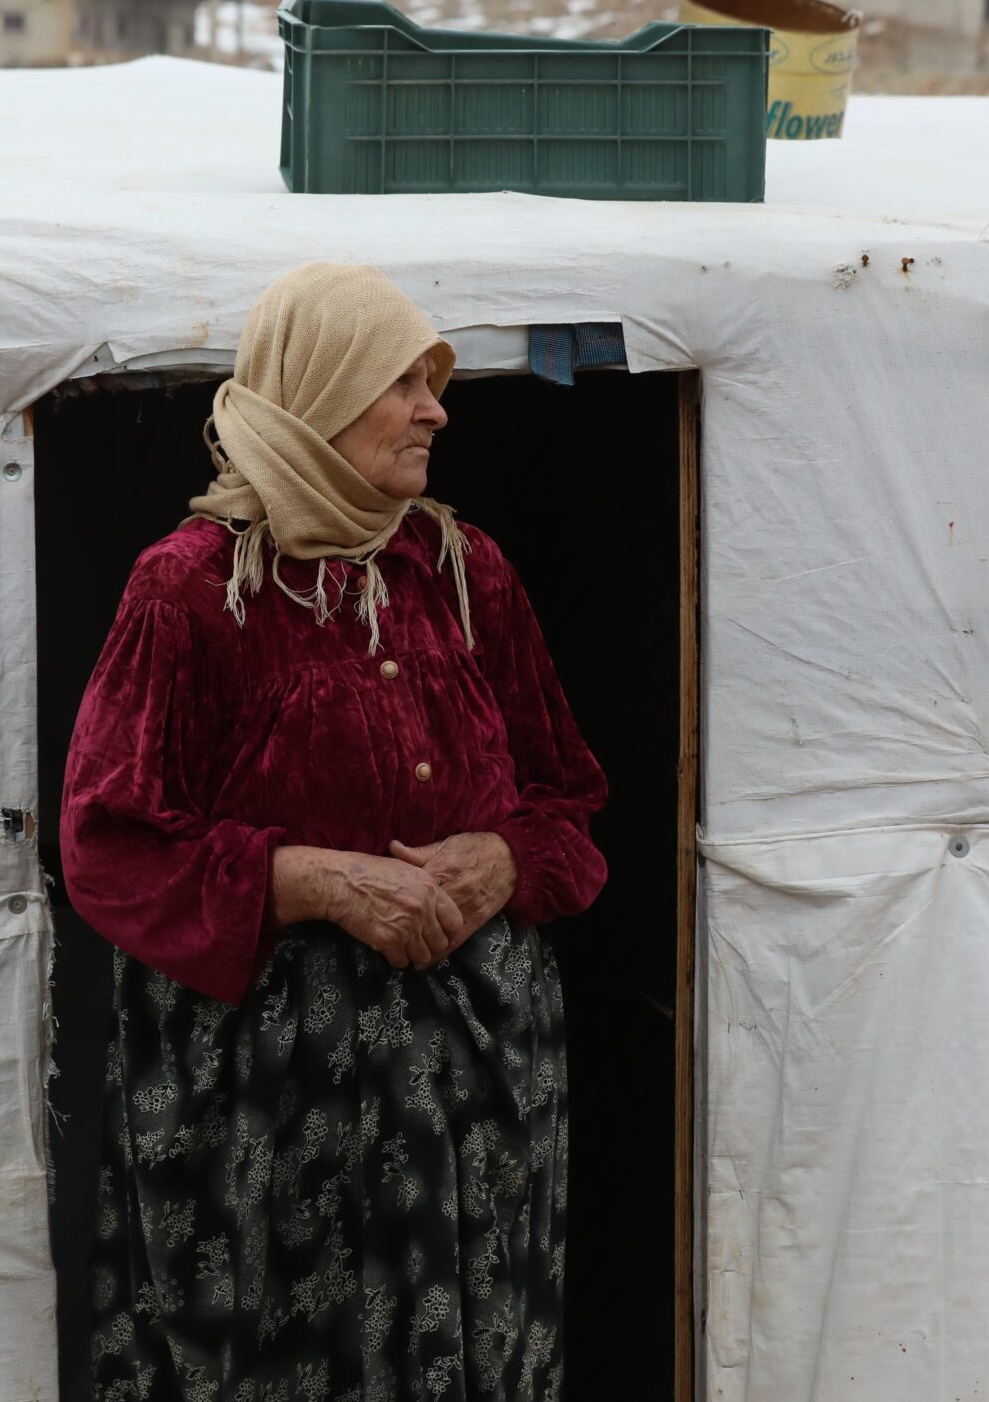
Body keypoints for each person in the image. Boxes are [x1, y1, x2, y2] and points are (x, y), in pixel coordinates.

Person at [62, 261, 608, 1402]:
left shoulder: (464, 573)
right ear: (312, 395)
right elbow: (109, 847)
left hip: (479, 1073)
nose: (435, 410)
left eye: (433, 379)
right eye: (399, 382)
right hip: (269, 1095)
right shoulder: (192, 592)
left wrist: (506, 857)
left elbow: (570, 802)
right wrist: (309, 879)